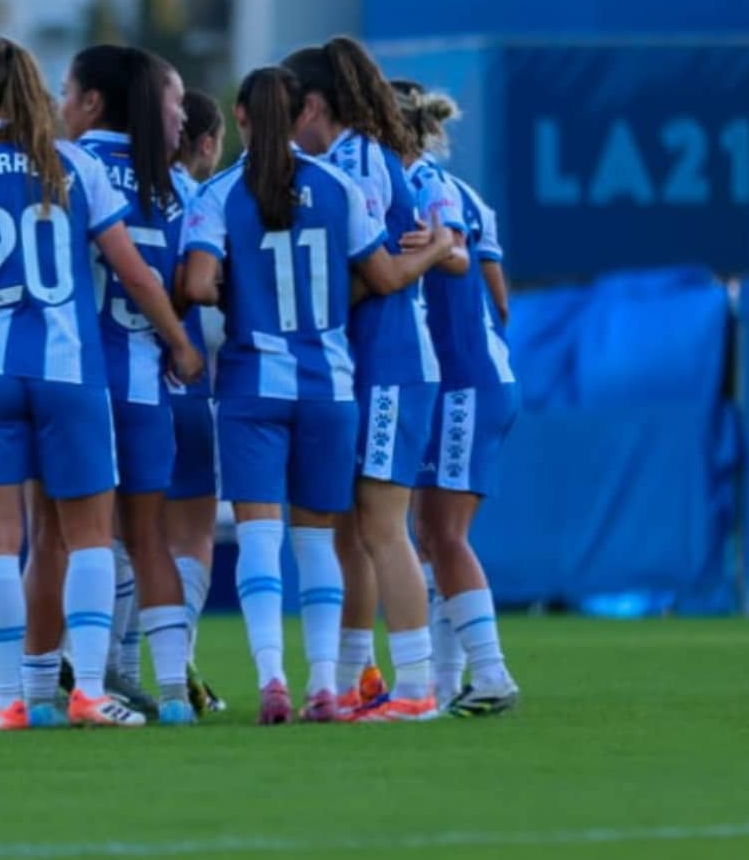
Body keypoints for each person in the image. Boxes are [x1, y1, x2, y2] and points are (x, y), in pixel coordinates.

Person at [0, 37, 204, 732]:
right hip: (71, 372)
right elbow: (134, 273)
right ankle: (90, 691)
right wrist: (180, 341)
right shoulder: (71, 164)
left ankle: (11, 699)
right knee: (88, 536)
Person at [180, 65, 454, 725]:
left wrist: (234, 290)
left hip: (252, 383)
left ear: (241, 118)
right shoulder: (338, 186)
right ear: (300, 111)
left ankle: (272, 677)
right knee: (318, 542)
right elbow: (385, 275)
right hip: (329, 385)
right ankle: (325, 684)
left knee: (258, 538)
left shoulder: (219, 192)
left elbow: (195, 284)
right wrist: (441, 245)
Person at [282, 37, 448, 721]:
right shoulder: (350, 159)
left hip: (388, 362)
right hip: (364, 364)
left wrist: (301, 306)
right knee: (353, 529)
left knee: (382, 526)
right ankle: (355, 679)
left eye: (288, 112)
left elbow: (373, 274)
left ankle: (416, 686)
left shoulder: (355, 162)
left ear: (313, 106)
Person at [50, 44, 196, 724]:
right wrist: (177, 339)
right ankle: (173, 694)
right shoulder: (175, 184)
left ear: (92, 100)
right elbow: (190, 280)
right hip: (145, 377)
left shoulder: (60, 167)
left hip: (72, 377)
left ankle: (49, 683)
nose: (59, 104)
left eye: (66, 91)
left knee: (64, 538)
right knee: (148, 537)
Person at [395, 80, 523, 718]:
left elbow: (458, 261)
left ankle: (491, 673)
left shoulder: (418, 188)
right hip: (478, 373)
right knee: (431, 534)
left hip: (461, 380)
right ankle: (447, 685)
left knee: (442, 534)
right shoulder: (465, 192)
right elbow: (500, 300)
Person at [167, 88, 228, 715]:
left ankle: (103, 664)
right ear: (206, 143)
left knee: (115, 536)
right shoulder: (206, 200)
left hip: (110, 383)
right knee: (192, 538)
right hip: (187, 382)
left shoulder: (111, 186)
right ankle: (174, 663)